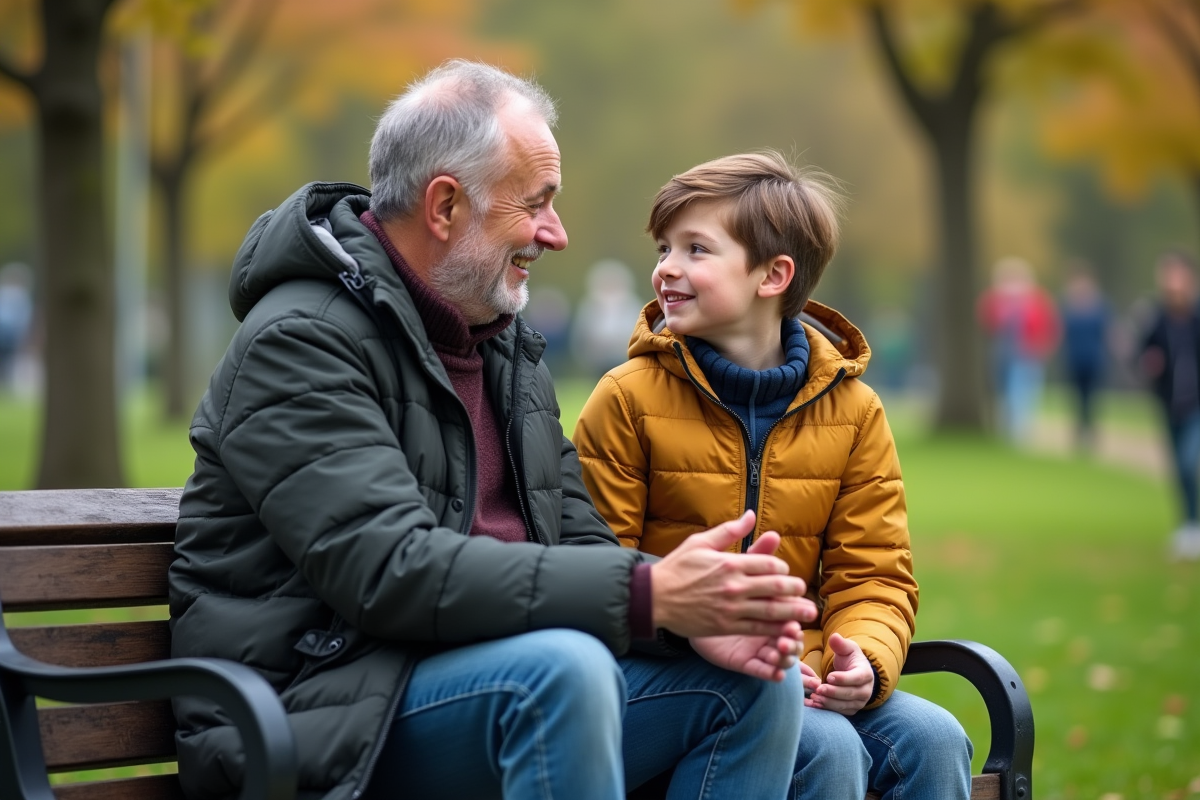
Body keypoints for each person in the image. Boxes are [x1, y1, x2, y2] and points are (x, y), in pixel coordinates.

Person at [169, 60, 820, 800]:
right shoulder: (299, 342)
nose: (558, 233)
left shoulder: (503, 345)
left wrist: (686, 617)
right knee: (561, 674)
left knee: (756, 684)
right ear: (444, 206)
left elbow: (575, 545)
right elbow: (390, 572)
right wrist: (648, 593)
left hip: (484, 685)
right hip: (319, 716)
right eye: (536, 203)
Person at [573, 152, 973, 800]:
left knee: (935, 739)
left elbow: (873, 572)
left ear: (773, 275)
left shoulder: (856, 413)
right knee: (828, 749)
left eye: (696, 249)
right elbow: (594, 564)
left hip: (813, 669)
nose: (666, 268)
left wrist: (862, 663)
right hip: (679, 672)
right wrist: (691, 623)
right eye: (664, 246)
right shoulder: (627, 398)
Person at [1139, 251, 1200, 560]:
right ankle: (1188, 525)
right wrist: (1150, 362)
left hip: (1197, 405)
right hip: (1170, 403)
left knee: (1190, 461)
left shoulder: (1196, 317)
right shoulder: (1158, 318)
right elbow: (1144, 352)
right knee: (1179, 468)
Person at [977, 256, 1060, 442]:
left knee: (1022, 391)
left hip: (1028, 353)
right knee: (1005, 392)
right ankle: (1009, 427)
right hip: (1002, 354)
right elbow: (987, 322)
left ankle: (1021, 430)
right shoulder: (995, 300)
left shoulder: (1036, 300)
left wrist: (1044, 347)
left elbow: (1048, 325)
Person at [1059, 263, 1110, 451]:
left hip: (1094, 360)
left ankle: (1090, 431)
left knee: (1092, 398)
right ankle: (1080, 431)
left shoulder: (1099, 305)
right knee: (1077, 398)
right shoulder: (1068, 305)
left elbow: (1107, 330)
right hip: (1074, 359)